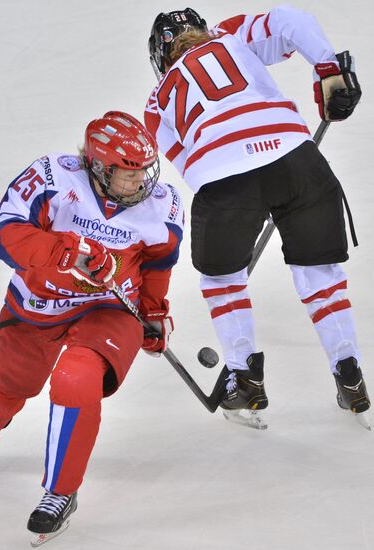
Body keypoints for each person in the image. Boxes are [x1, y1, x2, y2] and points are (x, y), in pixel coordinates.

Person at [0, 111, 184, 545]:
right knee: (7, 385)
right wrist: (67, 252)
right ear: (99, 167)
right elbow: (5, 236)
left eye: (145, 172)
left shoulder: (163, 203)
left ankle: (59, 492)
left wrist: (155, 313)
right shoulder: (50, 177)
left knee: (75, 377)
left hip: (109, 310)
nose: (141, 184)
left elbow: (157, 264)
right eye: (128, 175)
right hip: (37, 304)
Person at [144, 6, 370, 420]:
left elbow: (188, 163)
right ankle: (349, 370)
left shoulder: (155, 102)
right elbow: (291, 19)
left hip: (223, 177)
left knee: (222, 277)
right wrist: (328, 71)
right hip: (296, 159)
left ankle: (244, 377)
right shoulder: (230, 35)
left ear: (160, 59)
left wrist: (244, 201)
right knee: (319, 273)